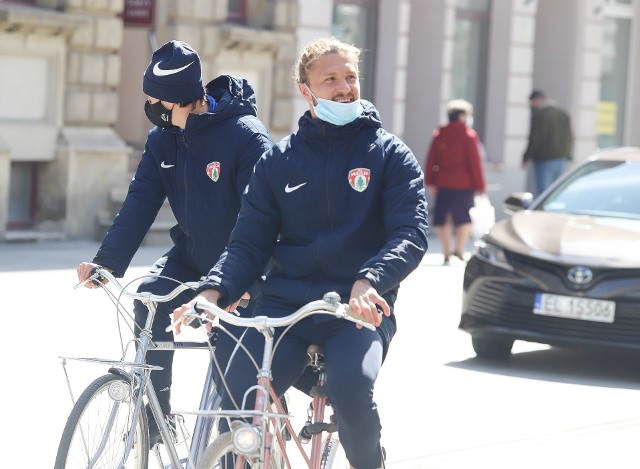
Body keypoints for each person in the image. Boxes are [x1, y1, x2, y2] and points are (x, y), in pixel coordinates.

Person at [173, 36, 429, 469]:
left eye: (350, 77)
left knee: (351, 391)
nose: (344, 87)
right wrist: (212, 292)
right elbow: (248, 241)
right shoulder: (278, 162)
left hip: (356, 310)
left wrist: (369, 280)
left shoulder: (390, 155)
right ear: (305, 90)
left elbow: (412, 232)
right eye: (330, 79)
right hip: (285, 307)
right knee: (234, 386)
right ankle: (254, 458)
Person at [76, 40, 273, 444]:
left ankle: (237, 438)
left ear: (180, 99)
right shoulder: (162, 139)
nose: (149, 106)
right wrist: (106, 263)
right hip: (191, 253)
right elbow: (140, 201)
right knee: (149, 298)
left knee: (230, 370)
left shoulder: (245, 137)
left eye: (154, 100)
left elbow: (265, 219)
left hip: (241, 265)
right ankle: (156, 418)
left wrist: (243, 284)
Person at [424, 99, 486, 265]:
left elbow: (431, 160)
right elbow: (475, 163)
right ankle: (459, 248)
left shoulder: (439, 134)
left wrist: (429, 181)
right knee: (464, 218)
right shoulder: (469, 135)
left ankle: (446, 251)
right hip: (464, 184)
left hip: (442, 183)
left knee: (442, 218)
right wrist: (480, 185)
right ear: (462, 116)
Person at [523, 89, 573, 195]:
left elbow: (535, 139)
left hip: (544, 160)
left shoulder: (540, 115)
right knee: (556, 193)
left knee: (544, 194)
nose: (532, 106)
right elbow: (570, 136)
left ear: (537, 100)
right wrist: (568, 154)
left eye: (532, 103)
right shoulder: (563, 113)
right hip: (561, 158)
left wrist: (526, 157)